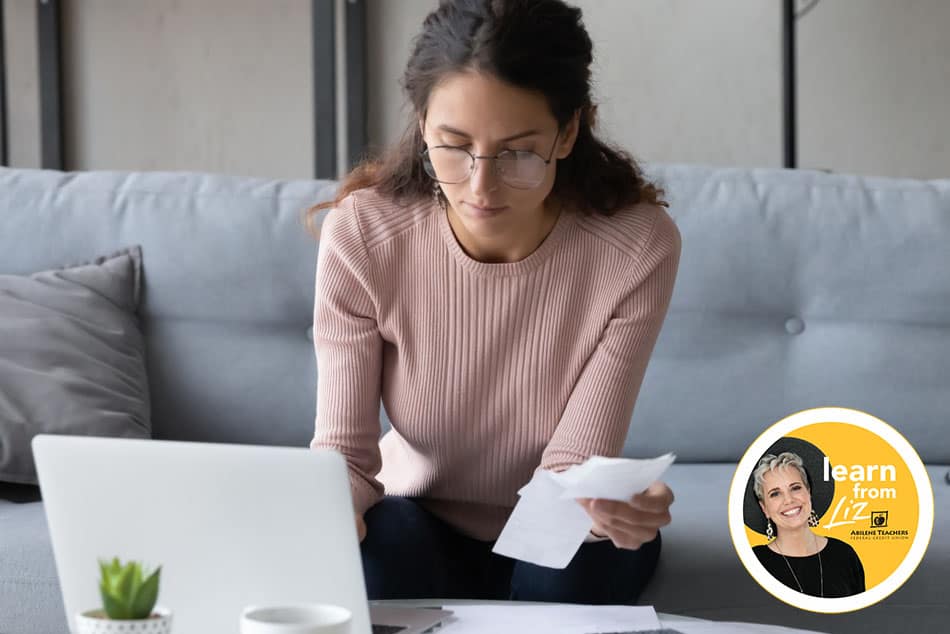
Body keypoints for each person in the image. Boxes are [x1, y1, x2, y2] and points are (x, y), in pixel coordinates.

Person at [307, 0, 680, 604]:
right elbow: (346, 458)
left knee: (561, 578)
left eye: (518, 152)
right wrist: (328, 518)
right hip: (418, 514)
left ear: (568, 133)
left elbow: (571, 466)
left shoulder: (635, 246)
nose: (480, 187)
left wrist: (613, 504)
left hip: (565, 528)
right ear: (423, 123)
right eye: (453, 145)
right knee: (376, 562)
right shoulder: (364, 235)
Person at [752, 452, 866, 598]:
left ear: (809, 493)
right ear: (764, 508)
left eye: (795, 488)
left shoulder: (845, 554)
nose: (789, 500)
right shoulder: (753, 561)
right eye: (775, 494)